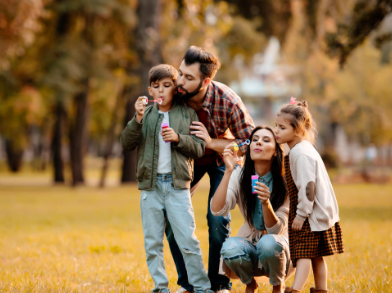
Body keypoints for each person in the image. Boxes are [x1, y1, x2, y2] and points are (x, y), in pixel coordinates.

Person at [166, 46, 255, 293]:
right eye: (181, 73)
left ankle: (219, 284)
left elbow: (250, 141)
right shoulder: (175, 92)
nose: (180, 81)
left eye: (188, 78)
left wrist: (213, 142)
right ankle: (189, 283)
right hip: (185, 161)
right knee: (171, 219)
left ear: (206, 81)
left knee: (217, 221)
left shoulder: (227, 100)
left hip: (219, 163)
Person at [120, 64, 213, 293]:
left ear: (175, 89)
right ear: (150, 91)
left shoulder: (186, 114)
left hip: (177, 186)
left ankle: (202, 288)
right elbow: (126, 143)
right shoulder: (145, 115)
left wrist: (178, 138)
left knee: (188, 242)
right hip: (150, 187)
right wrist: (137, 118)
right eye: (156, 86)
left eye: (167, 85)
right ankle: (161, 288)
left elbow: (200, 148)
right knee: (153, 244)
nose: (161, 90)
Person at [210, 126, 291, 293]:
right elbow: (217, 210)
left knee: (268, 244)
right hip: (249, 240)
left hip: (277, 245)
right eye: (255, 139)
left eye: (266, 140)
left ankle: (278, 285)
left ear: (275, 152)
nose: (259, 142)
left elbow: (276, 230)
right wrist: (228, 171)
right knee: (230, 248)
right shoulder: (240, 175)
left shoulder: (285, 182)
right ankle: (250, 283)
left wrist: (266, 203)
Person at [274, 99, 344, 293]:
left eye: (282, 127)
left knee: (304, 253)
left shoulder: (300, 153)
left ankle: (295, 290)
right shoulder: (299, 149)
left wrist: (301, 214)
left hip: (310, 214)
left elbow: (308, 187)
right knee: (316, 255)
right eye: (276, 126)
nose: (276, 131)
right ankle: (321, 289)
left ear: (297, 130)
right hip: (316, 212)